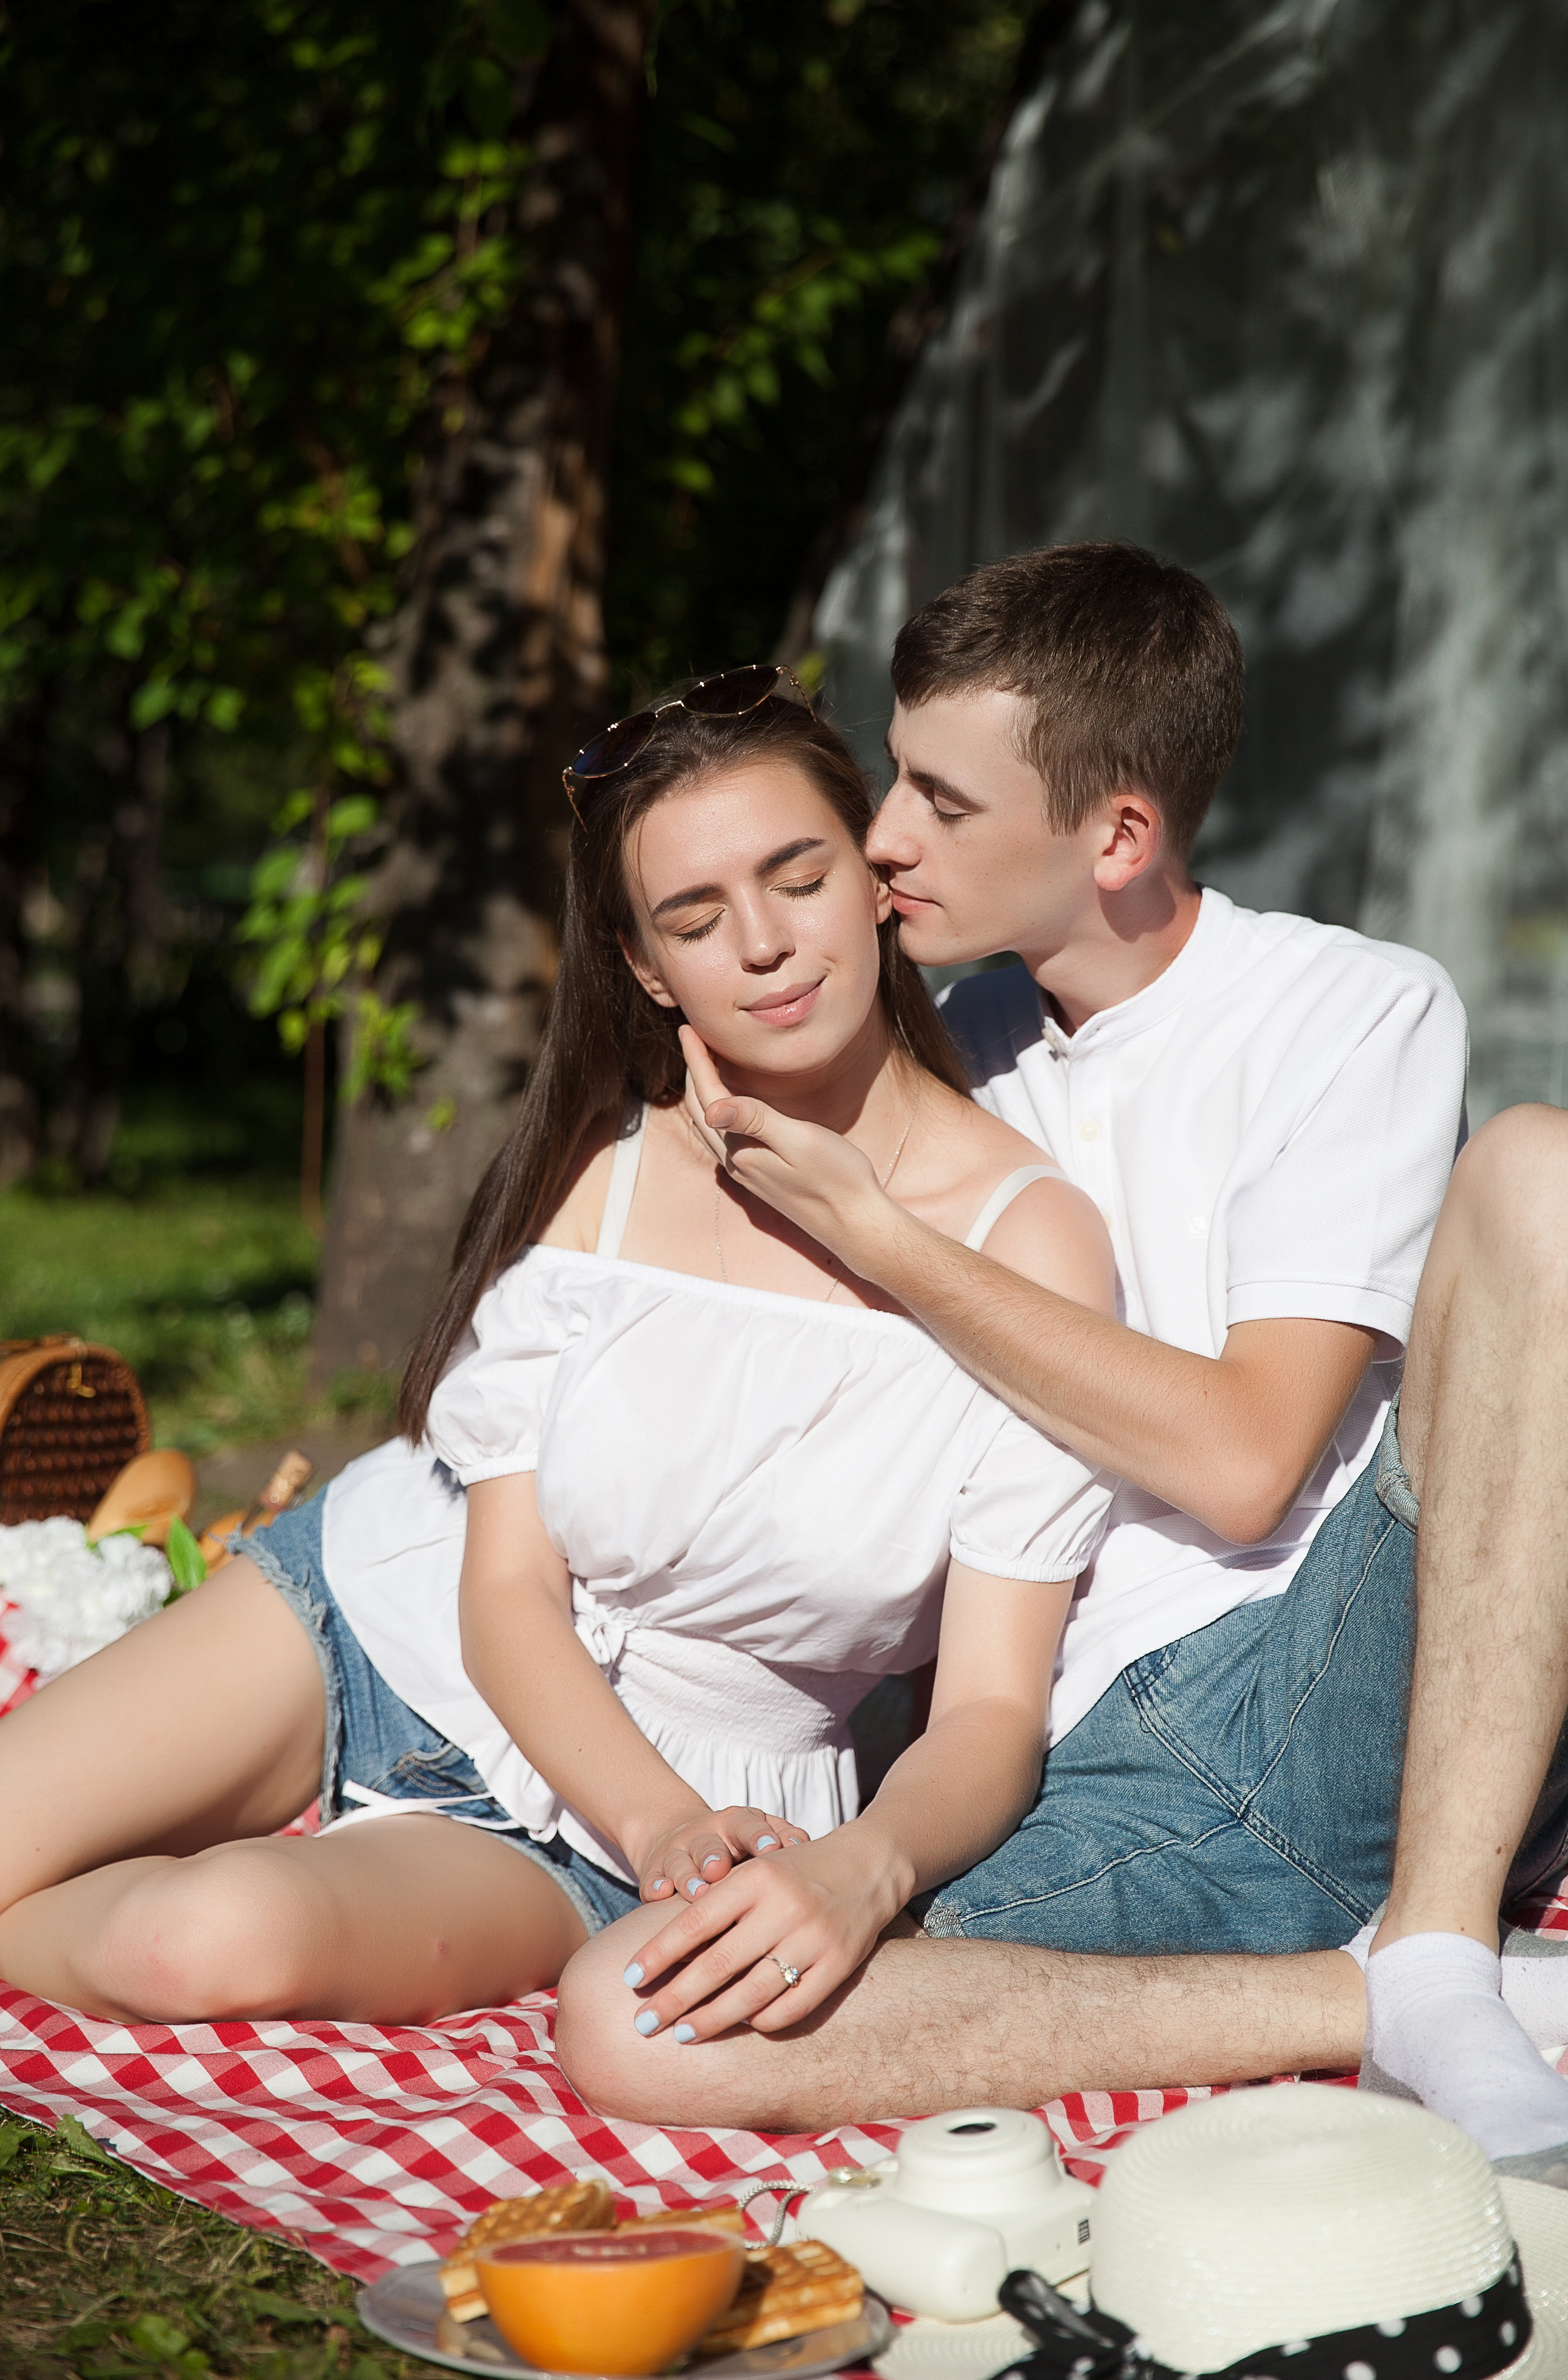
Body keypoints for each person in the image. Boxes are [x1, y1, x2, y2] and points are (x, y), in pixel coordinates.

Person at [556, 543, 1568, 2192]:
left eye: (941, 802)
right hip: (1101, 1768)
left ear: (1116, 836)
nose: (883, 837)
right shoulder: (930, 1059)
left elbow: (1251, 1462)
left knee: (1558, 1170)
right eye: (893, 780)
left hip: (1358, 1663)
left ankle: (1447, 1933)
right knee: (639, 2014)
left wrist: (893, 1239)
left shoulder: (1347, 1009)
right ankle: (1392, 1993)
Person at [0, 683, 1116, 2030]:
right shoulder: (606, 1170)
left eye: (797, 878)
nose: (762, 944)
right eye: (695, 920)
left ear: (873, 882)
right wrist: (656, 1822)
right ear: (648, 970)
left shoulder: (1026, 1240)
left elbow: (992, 1713)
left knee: (196, 1946)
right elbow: (508, 1584)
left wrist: (848, 1867)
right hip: (376, 1614)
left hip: (642, 1825)